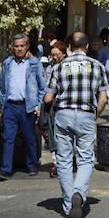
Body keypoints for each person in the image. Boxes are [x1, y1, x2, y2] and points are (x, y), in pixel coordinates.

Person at [44, 32, 109, 218]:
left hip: (63, 114)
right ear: (87, 46)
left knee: (64, 160)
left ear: (69, 47)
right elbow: (103, 99)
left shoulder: (59, 66)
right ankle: (79, 192)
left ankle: (67, 203)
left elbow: (48, 97)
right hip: (86, 115)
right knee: (86, 158)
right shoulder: (97, 66)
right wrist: (93, 115)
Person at [0, 33, 44, 181]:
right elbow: (2, 87)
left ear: (27, 46)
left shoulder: (34, 63)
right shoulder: (8, 63)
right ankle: (5, 169)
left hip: (27, 106)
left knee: (29, 137)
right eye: (17, 46)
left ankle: (32, 164)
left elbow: (42, 87)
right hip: (10, 106)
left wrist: (38, 105)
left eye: (22, 46)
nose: (19, 49)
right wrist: (3, 105)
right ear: (12, 47)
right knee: (8, 138)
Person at [40, 38, 67, 179]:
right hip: (49, 104)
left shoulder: (65, 66)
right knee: (50, 132)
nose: (55, 57)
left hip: (60, 103)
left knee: (61, 134)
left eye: (57, 54)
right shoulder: (50, 67)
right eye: (53, 54)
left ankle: (62, 162)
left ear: (64, 53)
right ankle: (56, 161)